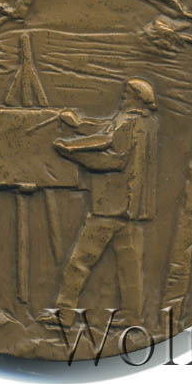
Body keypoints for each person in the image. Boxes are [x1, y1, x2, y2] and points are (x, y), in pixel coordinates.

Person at [40, 78, 159, 327]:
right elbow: (108, 132)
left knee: (80, 260)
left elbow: (112, 158)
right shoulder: (148, 123)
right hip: (134, 208)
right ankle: (132, 316)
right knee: (130, 266)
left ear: (136, 98)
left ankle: (65, 313)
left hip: (111, 207)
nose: (123, 97)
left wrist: (72, 153)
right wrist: (79, 125)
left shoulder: (128, 121)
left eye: (127, 94)